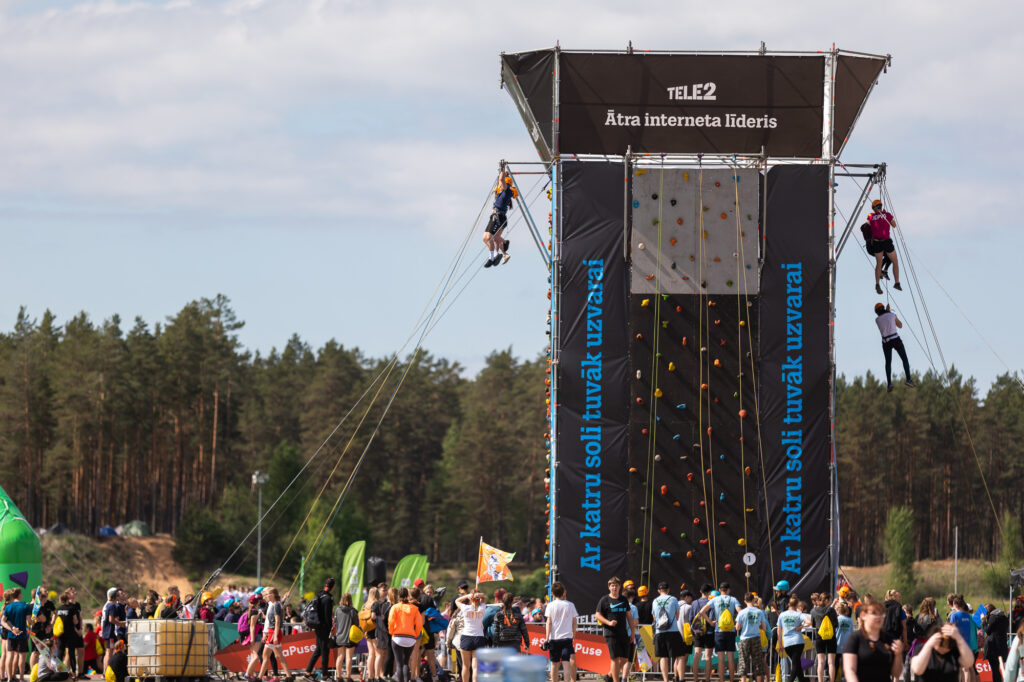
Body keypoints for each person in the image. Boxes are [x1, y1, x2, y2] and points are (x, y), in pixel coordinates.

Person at [842, 598, 904, 682]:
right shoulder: (855, 638)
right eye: (874, 613)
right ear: (863, 615)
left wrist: (898, 655)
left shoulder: (889, 639)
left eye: (881, 614)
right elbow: (849, 670)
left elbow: (896, 674)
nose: (879, 617)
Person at [696, 582, 741, 682]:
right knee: (730, 657)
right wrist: (737, 623)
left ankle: (721, 680)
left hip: (718, 631)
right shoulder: (733, 599)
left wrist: (710, 622)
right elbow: (740, 612)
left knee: (720, 658)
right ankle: (732, 680)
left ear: (720, 590)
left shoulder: (714, 599)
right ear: (728, 590)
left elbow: (702, 612)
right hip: (730, 631)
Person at [910, 622, 974, 682]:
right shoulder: (922, 648)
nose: (944, 648)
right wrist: (928, 645)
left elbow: (969, 662)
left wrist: (959, 638)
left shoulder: (954, 651)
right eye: (941, 643)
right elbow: (917, 669)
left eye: (949, 644)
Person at [595, 577, 631, 682]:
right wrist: (609, 622)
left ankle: (610, 674)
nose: (614, 587)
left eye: (616, 585)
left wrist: (632, 632)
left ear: (620, 587)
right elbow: (597, 615)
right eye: (612, 585)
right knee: (614, 659)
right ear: (609, 587)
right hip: (610, 633)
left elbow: (629, 616)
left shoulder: (624, 600)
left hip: (623, 632)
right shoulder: (604, 600)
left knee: (624, 659)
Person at [874, 303, 915, 391]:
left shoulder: (877, 320)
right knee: (904, 359)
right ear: (884, 308)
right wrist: (889, 312)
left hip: (886, 342)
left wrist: (888, 312)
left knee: (888, 363)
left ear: (877, 312)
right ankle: (908, 379)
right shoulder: (892, 315)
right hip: (895, 339)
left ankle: (889, 384)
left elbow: (884, 318)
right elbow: (900, 325)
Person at [651, 582, 685, 682]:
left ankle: (666, 680)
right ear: (668, 589)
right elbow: (678, 616)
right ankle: (681, 679)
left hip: (659, 632)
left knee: (663, 657)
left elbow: (654, 618)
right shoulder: (673, 599)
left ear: (658, 590)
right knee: (680, 656)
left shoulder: (655, 601)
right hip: (673, 631)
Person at [257, 588, 293, 681]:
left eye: (266, 595)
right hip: (272, 631)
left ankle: (259, 678)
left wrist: (275, 635)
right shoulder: (273, 604)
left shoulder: (276, 605)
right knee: (277, 656)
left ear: (272, 594)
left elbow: (277, 621)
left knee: (267, 656)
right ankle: (289, 676)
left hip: (273, 632)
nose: (265, 597)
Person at [867, 198, 902, 293]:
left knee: (879, 263)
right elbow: (894, 225)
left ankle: (877, 284)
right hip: (886, 241)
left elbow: (869, 224)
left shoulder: (871, 217)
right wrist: (886, 216)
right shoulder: (887, 215)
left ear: (874, 208)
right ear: (881, 206)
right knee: (895, 261)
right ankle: (897, 282)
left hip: (876, 242)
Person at [545, 582, 577, 682]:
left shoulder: (550, 605)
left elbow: (548, 622)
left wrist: (546, 638)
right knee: (566, 662)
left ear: (553, 594)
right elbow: (574, 621)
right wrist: (574, 634)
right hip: (567, 638)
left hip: (554, 638)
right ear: (563, 592)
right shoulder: (570, 605)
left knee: (554, 664)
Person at [483, 169, 515, 268]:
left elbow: (501, 180)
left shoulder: (507, 190)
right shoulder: (504, 192)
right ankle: (498, 252)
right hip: (497, 216)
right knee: (492, 238)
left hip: (498, 217)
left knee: (488, 238)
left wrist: (502, 169)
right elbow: (500, 181)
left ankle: (492, 257)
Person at [304, 577, 335, 681]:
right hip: (323, 627)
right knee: (325, 651)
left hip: (317, 626)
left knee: (318, 650)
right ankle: (324, 676)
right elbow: (327, 615)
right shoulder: (327, 598)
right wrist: (330, 628)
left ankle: (307, 673)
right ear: (333, 587)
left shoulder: (320, 595)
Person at [735, 592, 769, 682]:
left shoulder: (741, 612)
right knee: (758, 662)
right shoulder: (759, 612)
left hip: (744, 638)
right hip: (756, 638)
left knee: (743, 662)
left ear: (745, 601)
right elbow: (764, 628)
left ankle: (743, 681)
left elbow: (737, 627)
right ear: (754, 600)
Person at [454, 591, 487, 682]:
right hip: (479, 638)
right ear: (478, 599)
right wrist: (479, 595)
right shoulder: (482, 608)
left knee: (465, 666)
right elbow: (484, 598)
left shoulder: (465, 608)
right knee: (475, 667)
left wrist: (467, 596)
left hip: (467, 637)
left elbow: (457, 601)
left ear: (470, 599)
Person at [776, 596, 811, 682]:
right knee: (796, 664)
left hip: (787, 643)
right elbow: (809, 622)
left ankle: (802, 680)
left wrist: (780, 644)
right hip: (798, 641)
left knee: (796, 663)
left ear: (788, 604)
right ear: (797, 605)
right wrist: (801, 626)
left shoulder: (782, 615)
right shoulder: (799, 614)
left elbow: (779, 630)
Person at [1, 588, 31, 682]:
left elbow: (2, 621)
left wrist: (12, 629)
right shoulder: (25, 606)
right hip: (22, 635)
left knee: (9, 656)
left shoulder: (8, 607)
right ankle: (21, 678)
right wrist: (34, 621)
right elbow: (29, 622)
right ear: (19, 595)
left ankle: (9, 678)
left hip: (11, 635)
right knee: (22, 657)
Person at [809, 593, 839, 682]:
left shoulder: (814, 611)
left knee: (820, 662)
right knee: (831, 663)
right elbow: (836, 624)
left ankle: (820, 680)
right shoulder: (831, 610)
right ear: (826, 600)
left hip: (819, 637)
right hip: (831, 637)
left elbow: (813, 624)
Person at [333, 592, 359, 682]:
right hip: (350, 637)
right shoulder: (353, 611)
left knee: (340, 656)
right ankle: (348, 676)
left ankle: (339, 676)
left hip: (339, 636)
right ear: (350, 600)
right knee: (349, 657)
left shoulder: (337, 610)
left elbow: (335, 623)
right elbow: (357, 624)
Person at [984, 605, 1010, 682]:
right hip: (1002, 646)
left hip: (993, 647)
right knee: (998, 669)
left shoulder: (993, 617)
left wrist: (983, 621)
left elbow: (987, 631)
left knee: (995, 670)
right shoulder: (1004, 617)